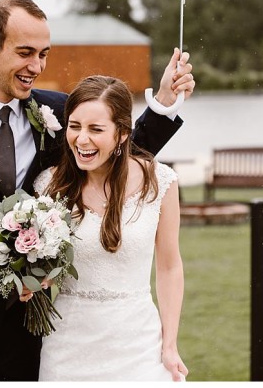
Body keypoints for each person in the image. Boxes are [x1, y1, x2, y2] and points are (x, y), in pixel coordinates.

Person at [0, 0, 196, 381]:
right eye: (25, 52)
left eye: (44, 53)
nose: (37, 66)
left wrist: (164, 102)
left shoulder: (58, 113)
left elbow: (113, 146)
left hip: (30, 328)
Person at [29, 75, 188, 381]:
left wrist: (169, 344)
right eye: (75, 127)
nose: (82, 139)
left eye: (96, 129)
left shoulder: (161, 182)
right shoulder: (49, 186)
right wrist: (33, 281)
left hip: (139, 349)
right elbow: (42, 267)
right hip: (67, 352)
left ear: (123, 134)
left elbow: (169, 267)